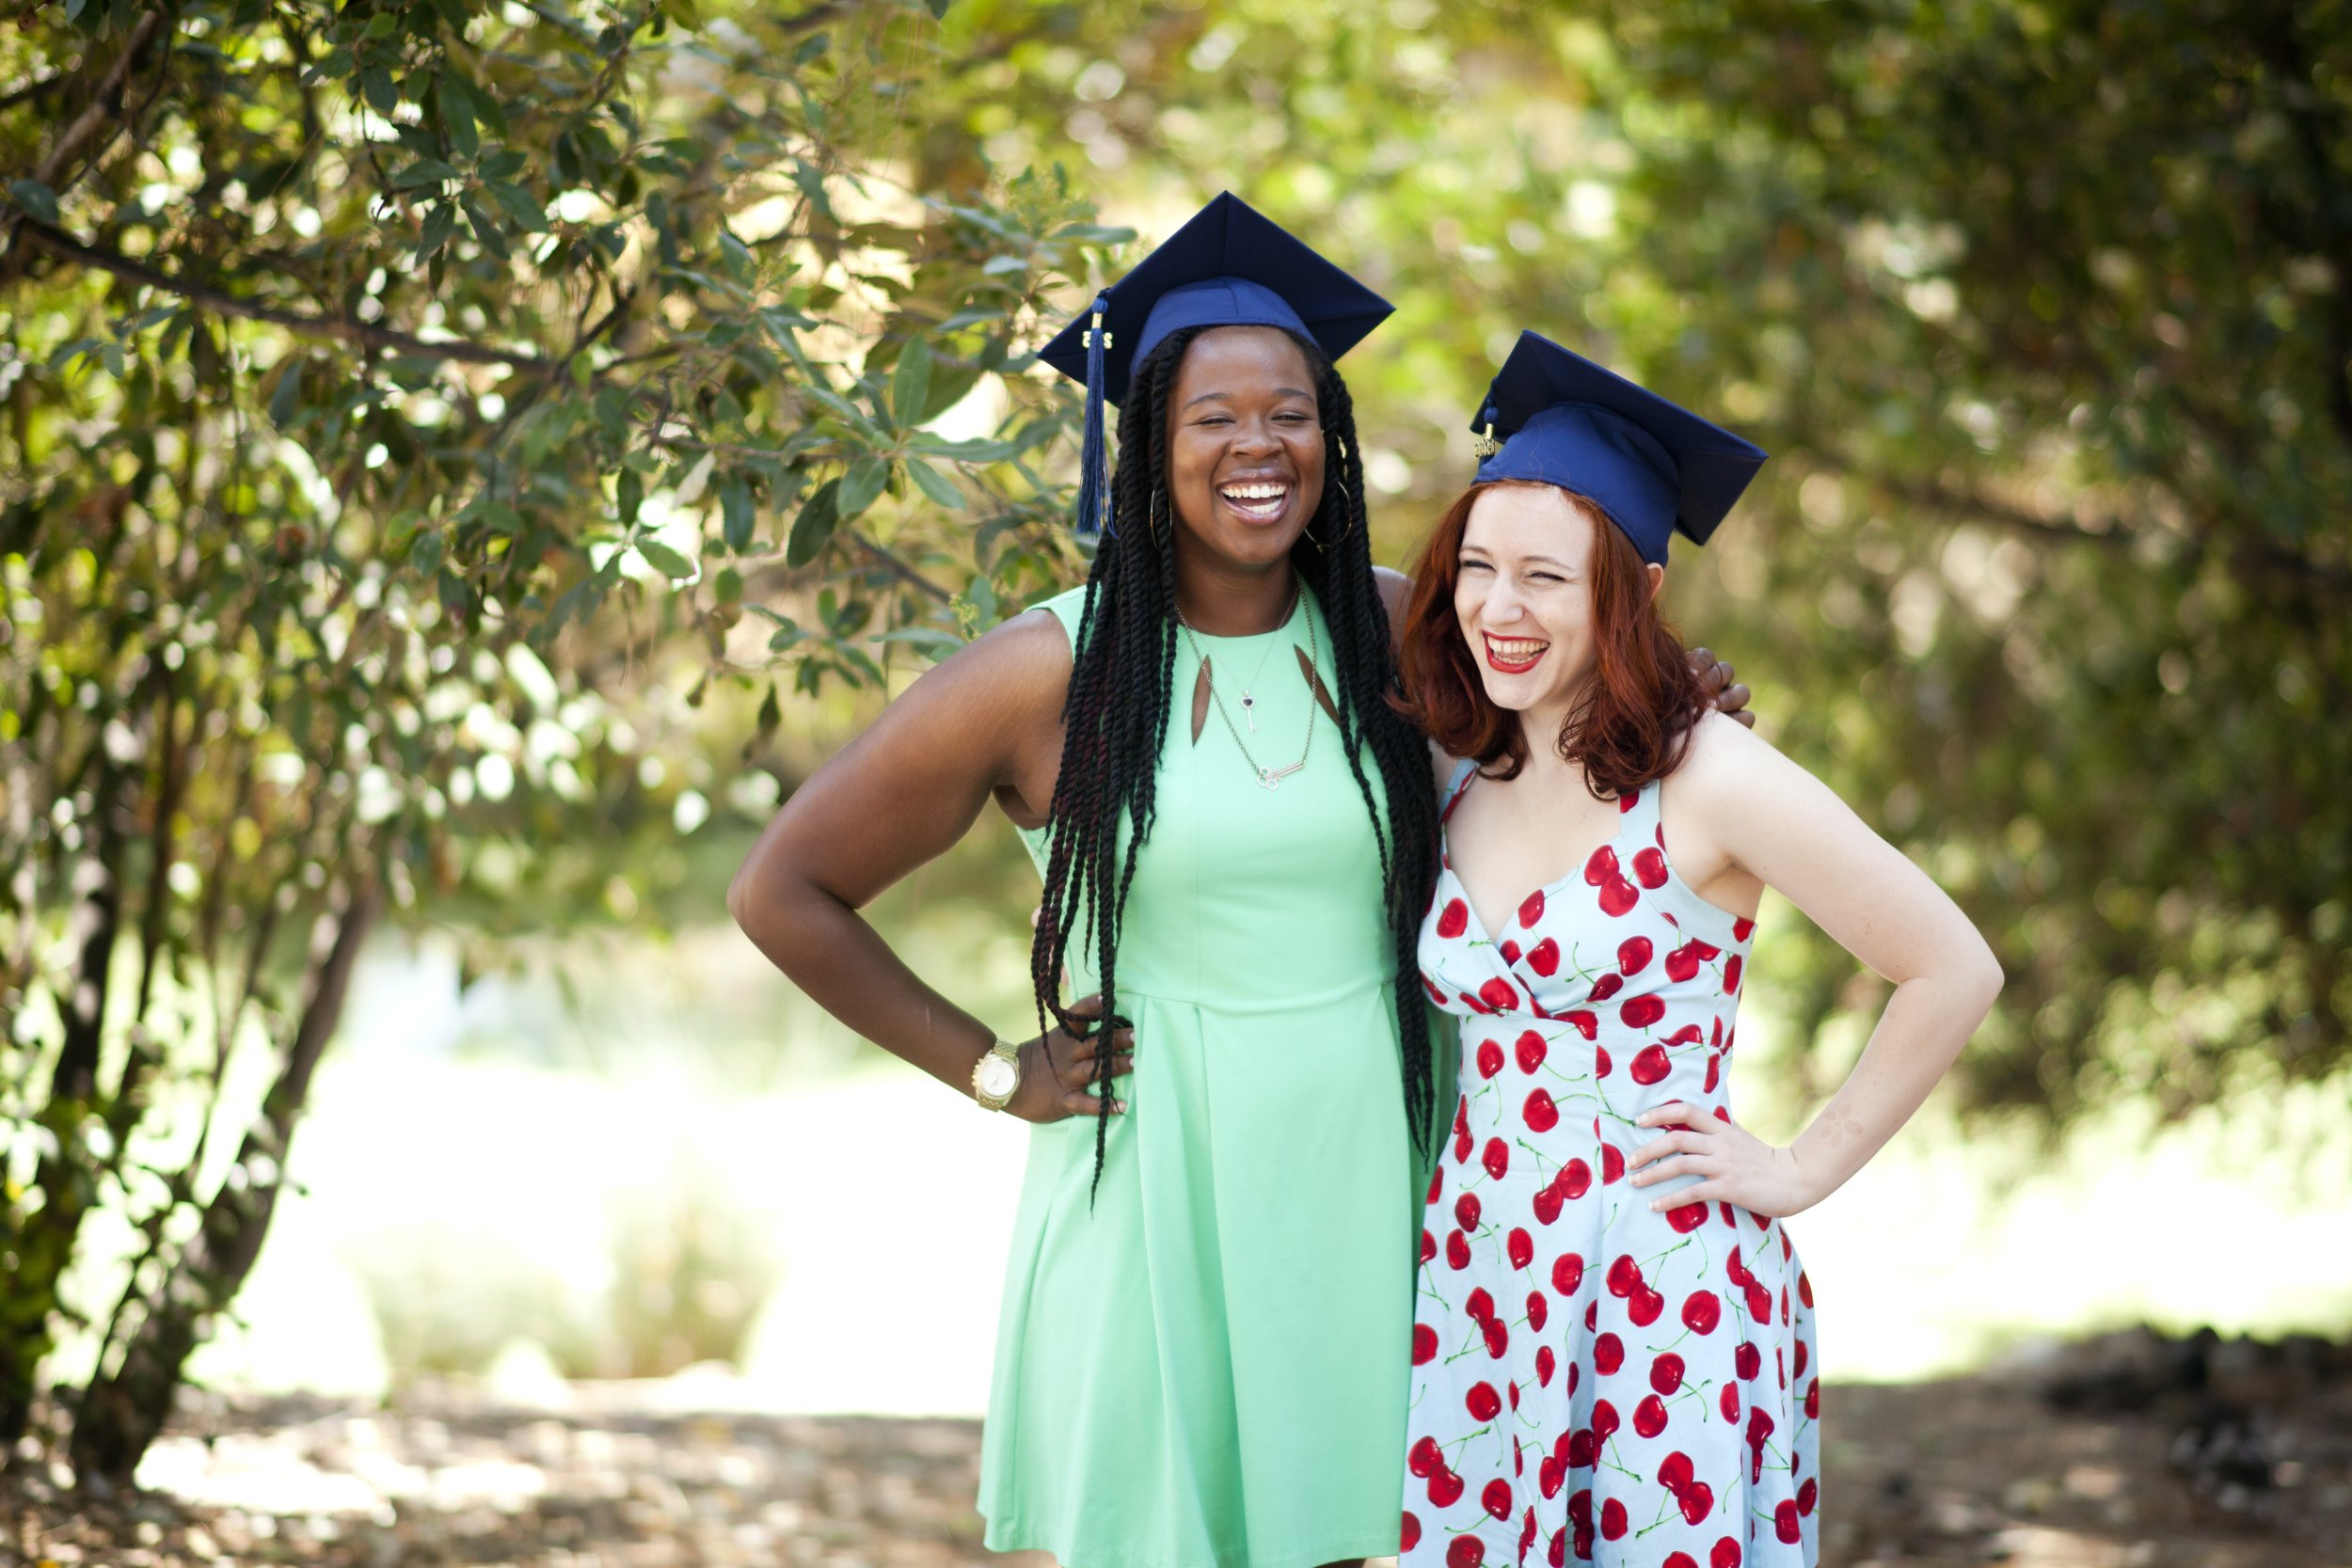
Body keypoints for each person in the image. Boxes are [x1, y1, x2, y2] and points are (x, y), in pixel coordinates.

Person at [1390, 332, 2003, 1567]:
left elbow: (1953, 967)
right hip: (1485, 1270)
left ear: (1635, 589)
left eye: (1546, 578)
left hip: (1656, 1282)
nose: (1500, 609)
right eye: (1479, 569)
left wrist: (1800, 1168)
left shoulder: (1708, 775)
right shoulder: (1464, 765)